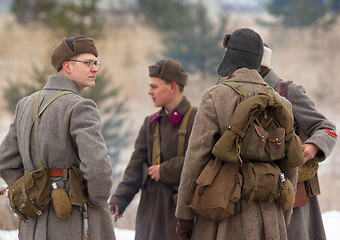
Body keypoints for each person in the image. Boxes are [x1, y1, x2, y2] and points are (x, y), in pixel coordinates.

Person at [175, 28, 298, 240]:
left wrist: (184, 216)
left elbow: (196, 158)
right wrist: (284, 214)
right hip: (271, 217)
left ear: (231, 57)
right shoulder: (282, 104)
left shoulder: (215, 97)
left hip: (222, 214)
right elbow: (290, 166)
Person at [0, 35, 116, 240]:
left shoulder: (25, 104)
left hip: (32, 222)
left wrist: (33, 191)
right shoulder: (81, 106)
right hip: (74, 222)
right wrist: (96, 199)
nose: (95, 68)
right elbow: (98, 168)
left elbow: (6, 161)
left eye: (96, 62)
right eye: (88, 63)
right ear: (67, 67)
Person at [109, 59, 197, 240]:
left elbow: (200, 161)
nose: (149, 92)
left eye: (155, 87)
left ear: (173, 87)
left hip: (180, 215)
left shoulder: (197, 119)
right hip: (150, 214)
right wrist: (120, 198)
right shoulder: (150, 123)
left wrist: (165, 170)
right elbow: (136, 165)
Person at [259, 44, 337, 240]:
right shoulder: (236, 93)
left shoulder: (288, 91)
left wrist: (313, 145)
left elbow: (326, 128)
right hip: (256, 193)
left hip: (294, 193)